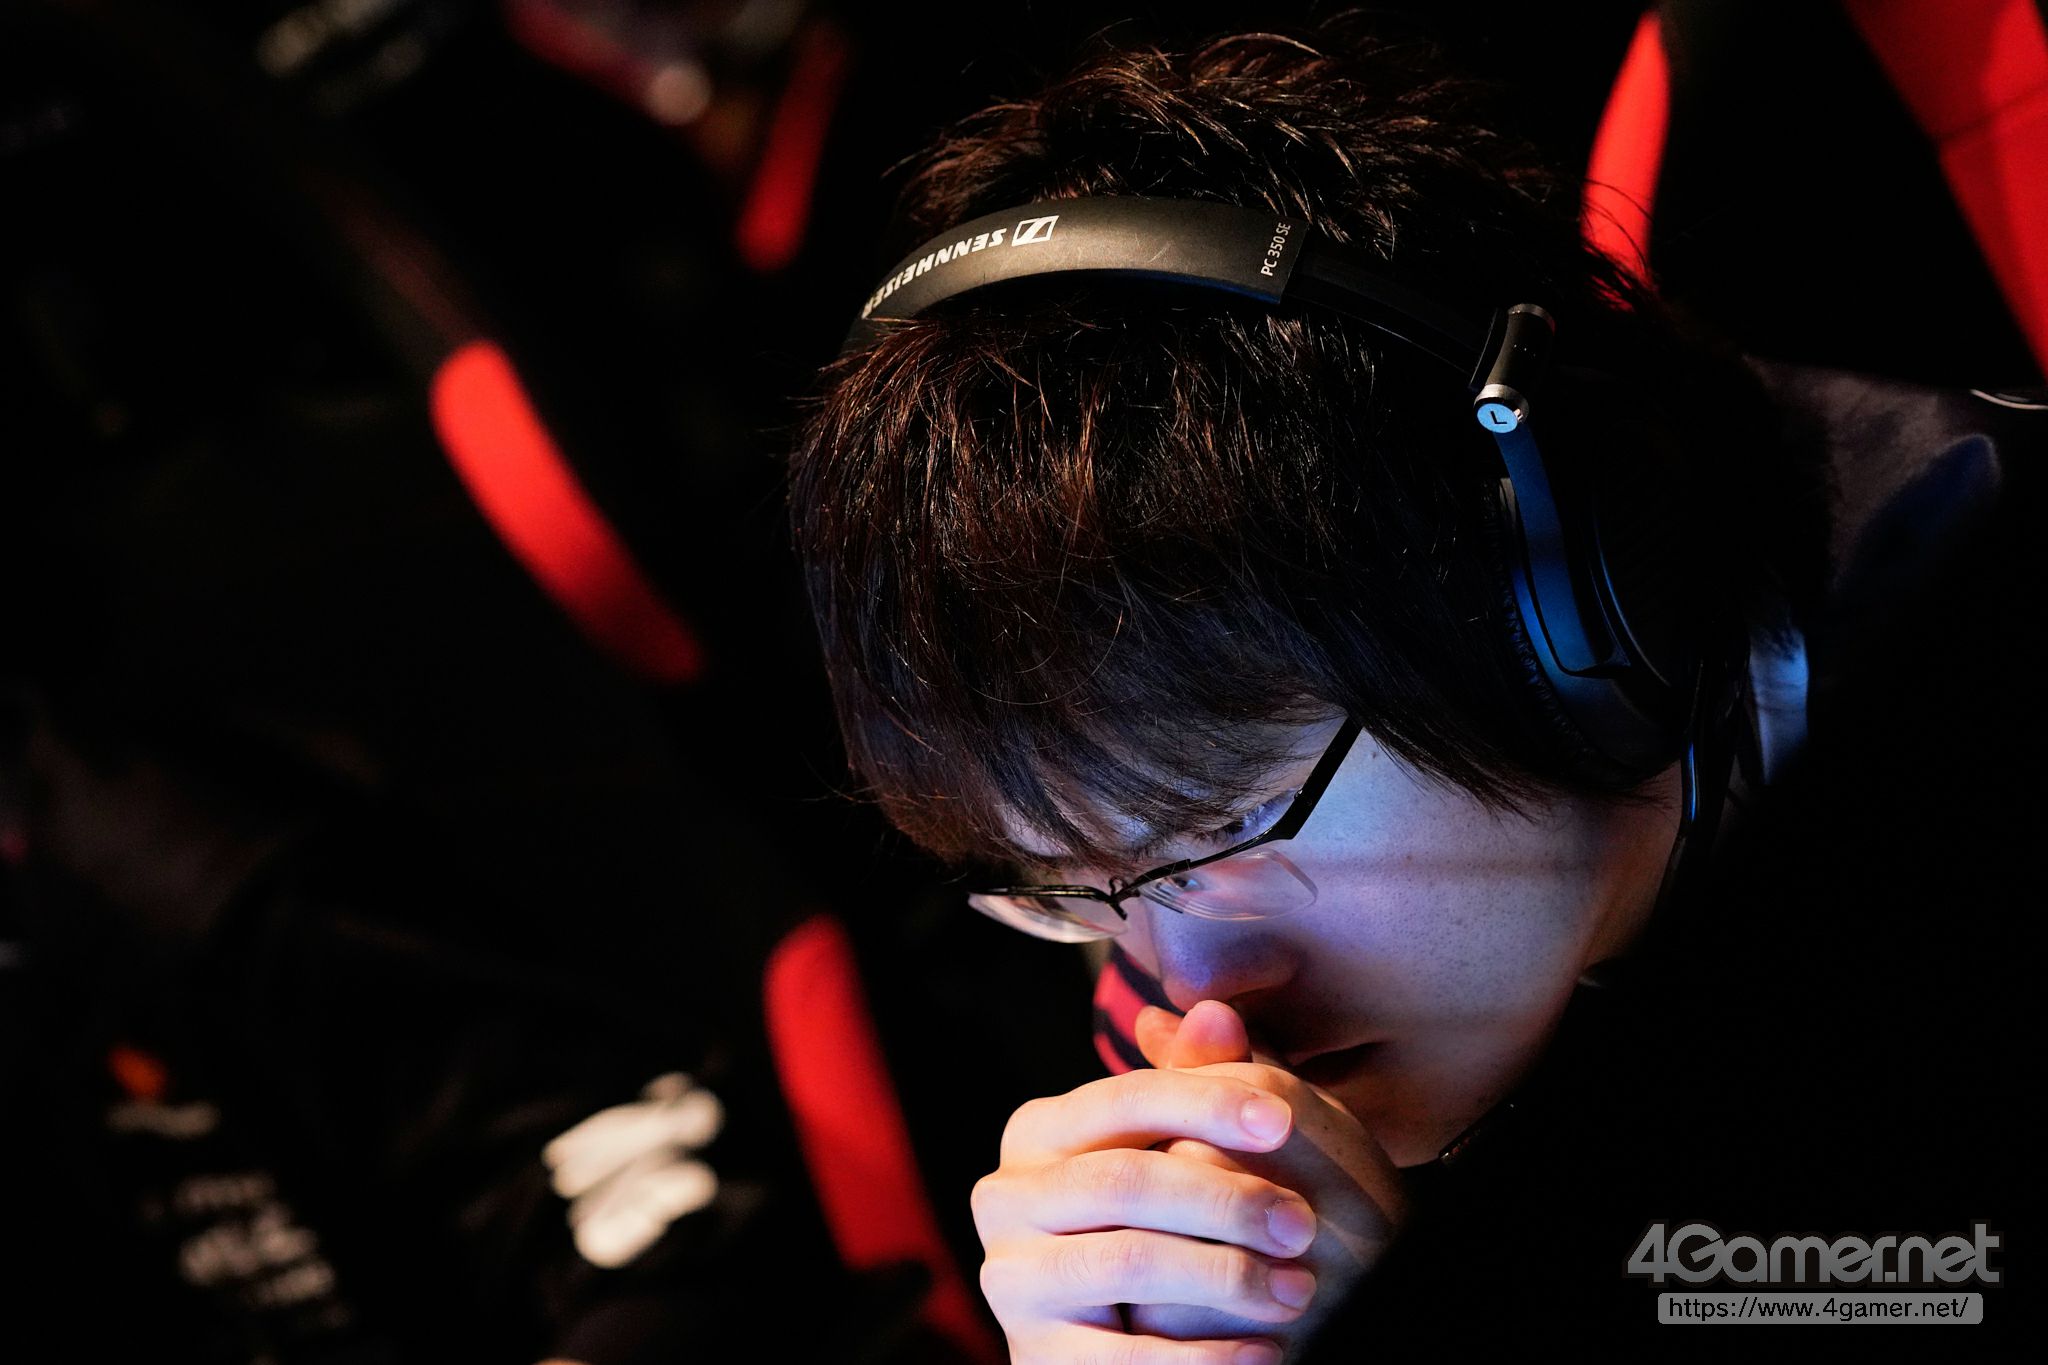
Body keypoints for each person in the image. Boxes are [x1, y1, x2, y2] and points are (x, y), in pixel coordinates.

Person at [790, 21, 2037, 1362]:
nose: (1193, 994)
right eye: (1070, 890)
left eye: (1228, 826)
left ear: (1562, 610)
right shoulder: (1182, 965)